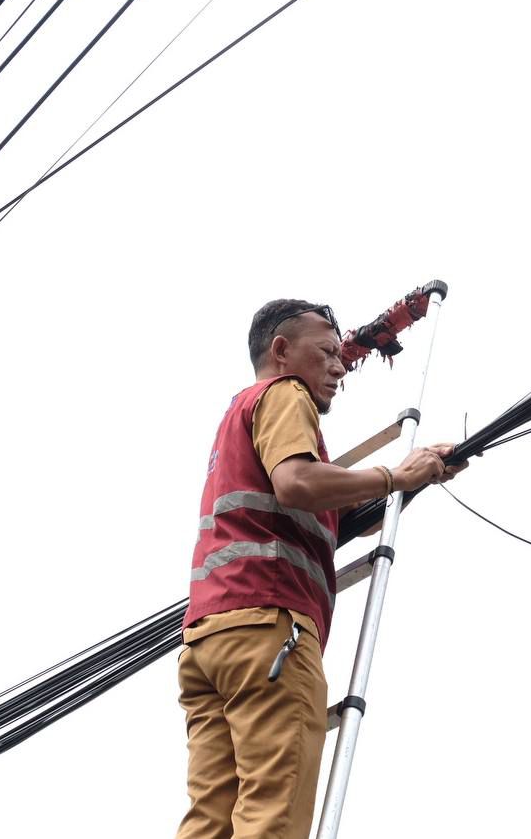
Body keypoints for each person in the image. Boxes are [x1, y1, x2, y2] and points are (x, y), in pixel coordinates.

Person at [176, 299, 466, 839]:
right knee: (273, 810)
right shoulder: (285, 395)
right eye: (327, 353)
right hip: (269, 628)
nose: (339, 367)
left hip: (209, 640)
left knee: (210, 820)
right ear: (281, 351)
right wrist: (395, 476)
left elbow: (330, 513)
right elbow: (298, 484)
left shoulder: (241, 416)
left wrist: (416, 478)